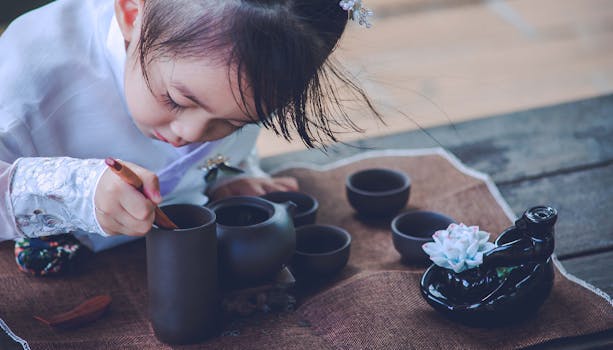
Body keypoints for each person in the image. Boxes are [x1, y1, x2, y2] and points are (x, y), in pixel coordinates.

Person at [0, 0, 378, 273]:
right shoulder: (28, 80)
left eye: (235, 122)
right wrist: (73, 192)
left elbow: (222, 140)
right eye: (178, 100)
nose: (193, 135)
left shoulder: (242, 65)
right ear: (133, 13)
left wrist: (231, 173)